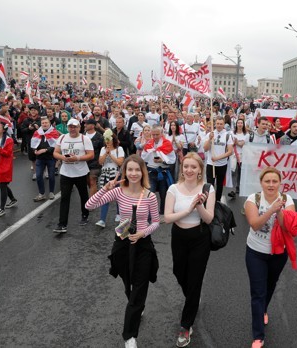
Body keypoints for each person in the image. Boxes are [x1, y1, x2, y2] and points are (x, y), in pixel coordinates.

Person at [85, 155, 160, 348]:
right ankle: (135, 304)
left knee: (140, 285)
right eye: (130, 170)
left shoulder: (150, 195)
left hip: (143, 241)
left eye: (137, 170)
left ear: (142, 172)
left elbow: (156, 222)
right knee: (128, 282)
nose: (133, 174)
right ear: (124, 172)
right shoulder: (118, 191)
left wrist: (144, 232)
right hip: (123, 235)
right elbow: (89, 205)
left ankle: (130, 336)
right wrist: (105, 188)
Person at [164, 153, 216, 347]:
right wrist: (188, 209)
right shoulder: (173, 189)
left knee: (194, 281)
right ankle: (193, 297)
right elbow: (167, 217)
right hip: (178, 237)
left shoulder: (207, 189)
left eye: (193, 167)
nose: (189, 170)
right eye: (186, 166)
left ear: (200, 170)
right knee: (179, 272)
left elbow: (209, 218)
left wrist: (200, 206)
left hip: (200, 238)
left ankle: (186, 326)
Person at [244, 167, 297, 348]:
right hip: (255, 252)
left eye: (275, 181)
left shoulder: (287, 200)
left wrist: (280, 210)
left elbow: (287, 228)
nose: (271, 185)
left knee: (270, 285)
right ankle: (258, 336)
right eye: (267, 181)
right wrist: (271, 210)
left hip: (278, 253)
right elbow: (255, 224)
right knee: (257, 292)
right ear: (261, 183)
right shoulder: (253, 199)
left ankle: (263, 310)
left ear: (280, 183)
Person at [53, 118, 94, 233]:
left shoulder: (84, 139)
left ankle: (85, 215)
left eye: (75, 127)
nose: (72, 129)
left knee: (83, 195)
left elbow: (91, 155)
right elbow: (55, 152)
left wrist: (77, 158)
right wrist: (64, 158)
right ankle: (62, 224)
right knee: (65, 198)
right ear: (68, 128)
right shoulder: (62, 138)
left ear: (79, 128)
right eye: (70, 127)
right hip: (66, 173)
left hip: (81, 172)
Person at [141, 126, 176, 221]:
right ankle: (148, 216)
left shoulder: (167, 144)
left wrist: (163, 160)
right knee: (149, 193)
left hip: (163, 172)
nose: (155, 136)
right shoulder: (149, 144)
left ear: (161, 134)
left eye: (157, 134)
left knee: (163, 194)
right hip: (151, 171)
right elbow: (143, 157)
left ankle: (163, 213)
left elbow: (172, 160)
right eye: (153, 134)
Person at [95, 130, 125, 228]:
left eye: (109, 139)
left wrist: (111, 154)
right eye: (106, 139)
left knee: (118, 196)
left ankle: (119, 214)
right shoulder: (103, 149)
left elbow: (120, 162)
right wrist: (106, 153)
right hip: (105, 175)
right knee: (105, 197)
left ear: (113, 139)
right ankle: (102, 220)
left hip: (116, 175)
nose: (107, 141)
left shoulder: (119, 149)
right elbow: (100, 162)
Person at [0, 120, 18, 217]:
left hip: (4, 165)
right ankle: (13, 199)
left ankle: (2, 208)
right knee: (2, 185)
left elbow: (7, 153)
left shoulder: (8, 140)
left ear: (3, 130)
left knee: (3, 185)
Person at [203, 117, 233, 202]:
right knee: (210, 185)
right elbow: (205, 148)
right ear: (215, 124)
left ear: (224, 125)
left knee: (219, 185)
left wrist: (217, 158)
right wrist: (209, 139)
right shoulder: (210, 134)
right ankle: (209, 201)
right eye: (217, 123)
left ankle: (218, 202)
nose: (219, 125)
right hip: (210, 164)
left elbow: (230, 152)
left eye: (221, 124)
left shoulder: (227, 135)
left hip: (222, 164)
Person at [31, 117, 60, 202]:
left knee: (51, 176)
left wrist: (45, 150)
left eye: (46, 123)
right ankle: (41, 193)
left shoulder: (54, 132)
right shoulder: (37, 132)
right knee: (39, 176)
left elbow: (56, 146)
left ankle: (51, 192)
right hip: (39, 158)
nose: (44, 124)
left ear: (49, 123)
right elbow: (33, 143)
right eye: (43, 123)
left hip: (50, 158)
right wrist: (34, 150)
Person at [228, 118, 248, 199]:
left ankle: (238, 187)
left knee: (240, 173)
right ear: (236, 124)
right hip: (233, 156)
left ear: (243, 124)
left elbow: (242, 144)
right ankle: (233, 189)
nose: (239, 124)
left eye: (241, 123)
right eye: (238, 123)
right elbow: (230, 144)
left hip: (242, 156)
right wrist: (234, 143)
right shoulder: (231, 133)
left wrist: (236, 143)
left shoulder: (246, 135)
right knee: (233, 172)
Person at [84, 118, 104, 197]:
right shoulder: (82, 135)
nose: (85, 125)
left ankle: (91, 202)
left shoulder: (99, 136)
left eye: (87, 124)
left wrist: (101, 161)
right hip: (84, 162)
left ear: (92, 126)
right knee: (88, 181)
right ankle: (95, 192)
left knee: (92, 180)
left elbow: (102, 149)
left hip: (95, 163)